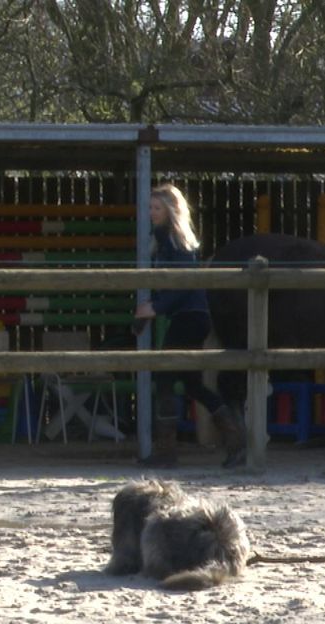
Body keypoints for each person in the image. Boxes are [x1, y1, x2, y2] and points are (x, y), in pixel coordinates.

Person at [135, 183, 245, 469]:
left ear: (170, 211)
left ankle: (166, 451)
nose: (151, 213)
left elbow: (182, 285)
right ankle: (235, 440)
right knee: (194, 384)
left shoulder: (174, 241)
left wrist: (155, 308)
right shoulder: (164, 241)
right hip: (189, 316)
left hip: (189, 317)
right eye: (150, 207)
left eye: (157, 208)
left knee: (165, 379)